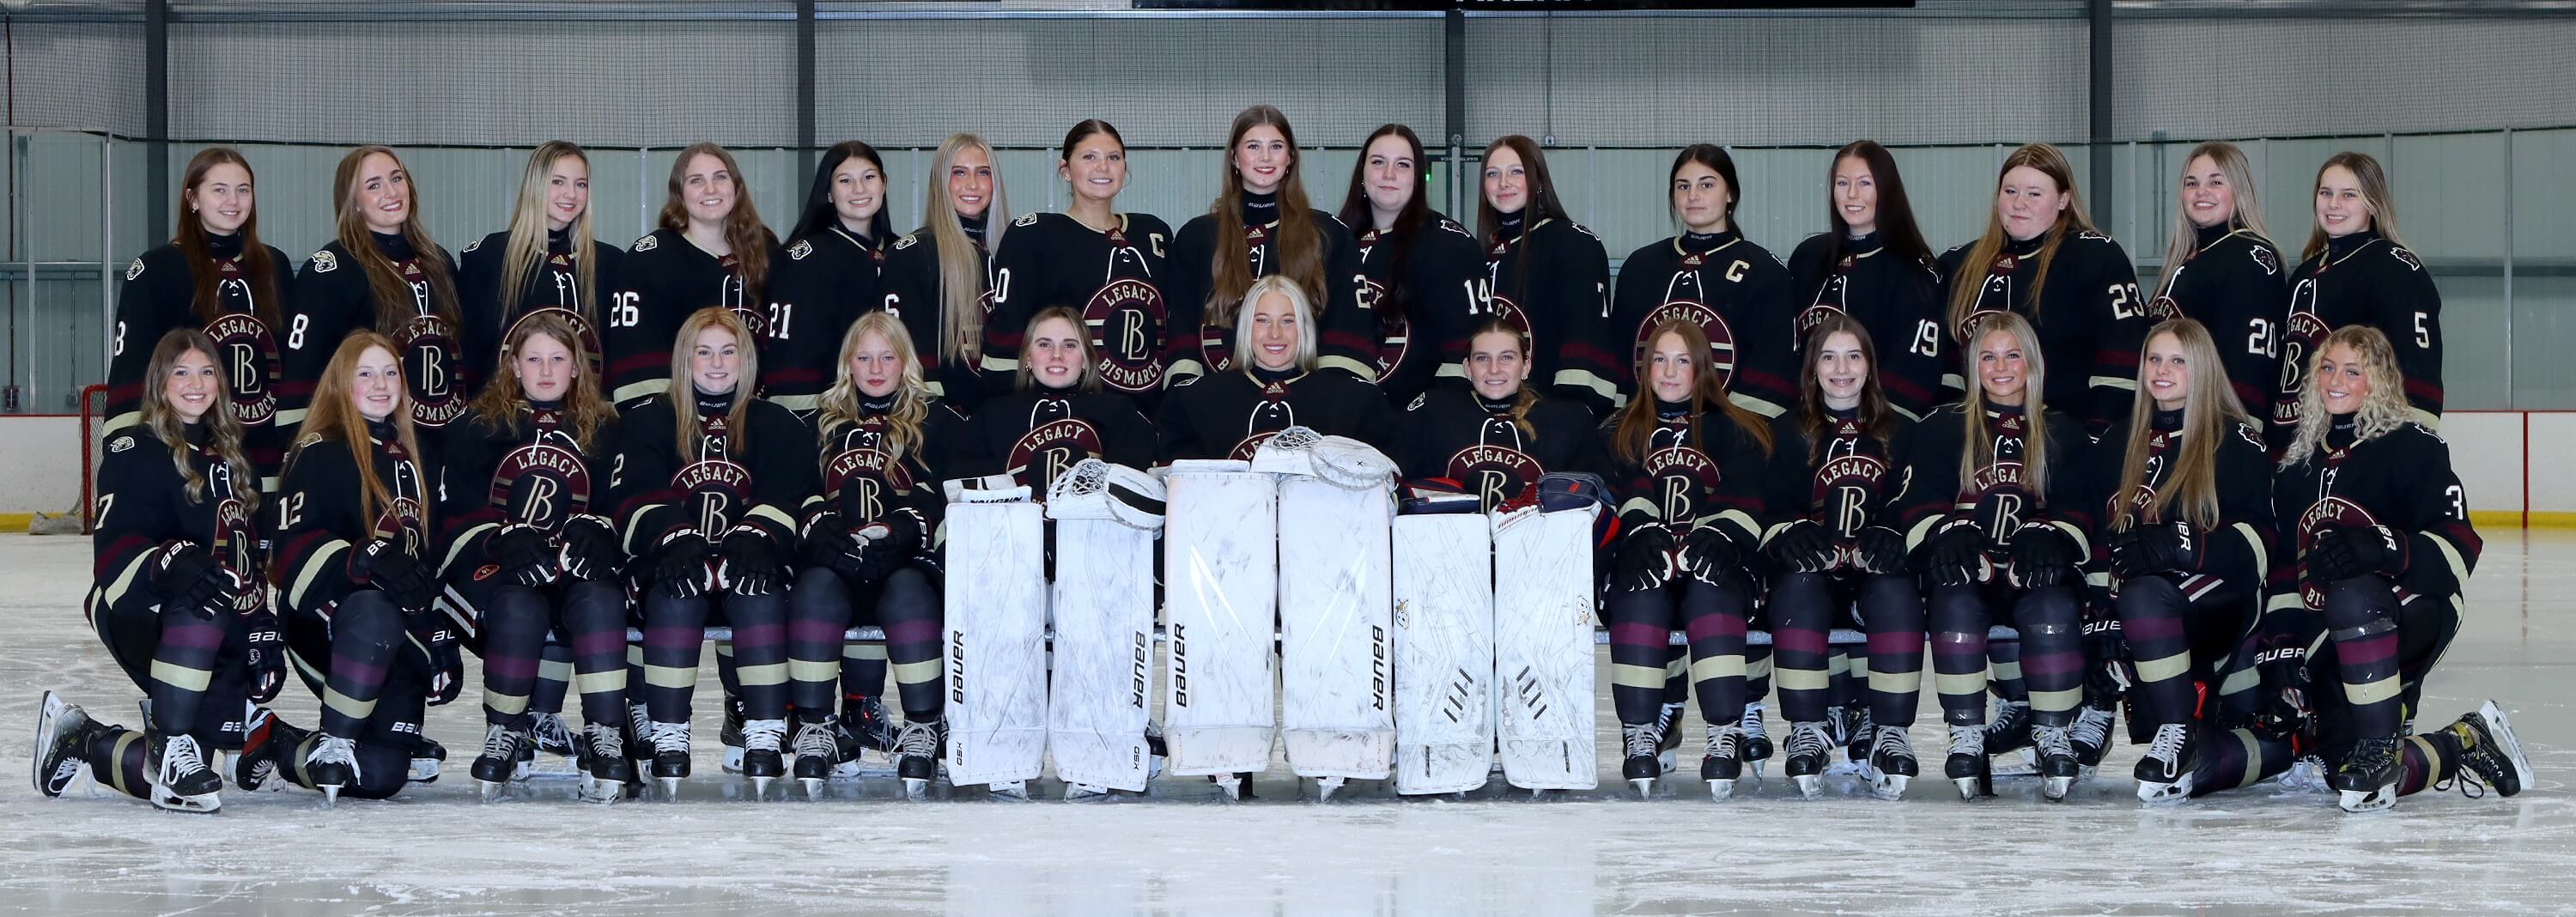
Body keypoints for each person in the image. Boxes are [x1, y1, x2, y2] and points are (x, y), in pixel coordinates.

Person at [33, 330, 275, 812]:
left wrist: (261, 624)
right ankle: (171, 739)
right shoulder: (134, 447)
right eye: (181, 372)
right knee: (201, 601)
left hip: (211, 620)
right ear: (160, 381)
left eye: (206, 372)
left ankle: (84, 740)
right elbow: (114, 549)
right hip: (139, 606)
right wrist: (169, 561)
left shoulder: (234, 456)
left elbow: (246, 558)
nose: (195, 384)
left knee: (194, 767)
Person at [2267, 325, 2484, 811]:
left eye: (2352, 371)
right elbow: (2284, 571)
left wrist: (2386, 549)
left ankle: (2382, 739)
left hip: (2416, 607)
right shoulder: (2297, 465)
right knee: (2342, 770)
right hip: (2331, 631)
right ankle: (2462, 742)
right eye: (2327, 368)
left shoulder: (2414, 445)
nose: (2335, 381)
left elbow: (2461, 545)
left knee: (2353, 592)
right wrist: (2282, 647)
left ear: (2379, 379)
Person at [612, 307, 816, 798]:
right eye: (704, 352)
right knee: (674, 594)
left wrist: (755, 535)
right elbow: (631, 492)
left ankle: (764, 731)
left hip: (747, 564)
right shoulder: (649, 420)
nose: (717, 364)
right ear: (684, 359)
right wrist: (674, 537)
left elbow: (792, 490)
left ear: (747, 359)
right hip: (675, 564)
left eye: (729, 351)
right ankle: (667, 733)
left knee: (759, 590)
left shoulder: (777, 422)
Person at [1894, 312, 2093, 801]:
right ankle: (1966, 731)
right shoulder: (1944, 426)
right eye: (1988, 357)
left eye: (2012, 355)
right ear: (1972, 365)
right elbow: (1914, 501)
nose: (2000, 367)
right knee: (1954, 600)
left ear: (2032, 362)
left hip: (2031, 577)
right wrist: (1944, 533)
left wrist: (2056, 535)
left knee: (2053, 603)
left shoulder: (2063, 430)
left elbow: (2085, 508)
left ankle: (2052, 732)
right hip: (1971, 574)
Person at [435, 313, 634, 801]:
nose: (546, 371)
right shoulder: (478, 427)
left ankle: (605, 733)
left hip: (576, 568)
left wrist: (602, 530)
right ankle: (505, 731)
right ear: (514, 367)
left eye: (558, 359)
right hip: (506, 570)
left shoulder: (607, 429)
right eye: (534, 359)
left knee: (602, 600)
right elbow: (455, 510)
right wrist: (500, 539)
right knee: (517, 607)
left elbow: (624, 501)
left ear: (577, 367)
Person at [261, 331, 459, 805]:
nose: (380, 384)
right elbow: (290, 555)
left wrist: (438, 634)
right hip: (329, 624)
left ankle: (281, 745)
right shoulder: (320, 449)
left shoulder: (417, 452)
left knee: (382, 775)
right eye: (365, 373)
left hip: (399, 631)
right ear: (340, 383)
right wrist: (364, 557)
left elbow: (427, 564)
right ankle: (335, 739)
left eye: (390, 373)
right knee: (374, 610)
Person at [2093, 319, 2274, 801]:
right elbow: (2097, 540)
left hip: (2222, 607)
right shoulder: (2117, 441)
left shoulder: (2234, 439)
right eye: (2154, 359)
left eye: (2178, 361)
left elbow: (2259, 544)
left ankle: (2177, 729)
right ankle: (2081, 719)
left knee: (2144, 595)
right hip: (2146, 608)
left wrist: (2184, 546)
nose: (2162, 370)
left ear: (2203, 369)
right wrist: (2101, 619)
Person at [787, 311, 963, 797]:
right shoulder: (817, 422)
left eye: (887, 357)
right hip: (838, 560)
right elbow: (797, 491)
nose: (876, 368)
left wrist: (908, 528)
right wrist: (821, 530)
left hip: (902, 562)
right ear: (848, 362)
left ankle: (924, 726)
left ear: (906, 361)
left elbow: (948, 492)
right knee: (814, 588)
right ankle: (815, 728)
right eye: (864, 358)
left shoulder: (936, 420)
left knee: (909, 592)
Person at [1601, 319, 1774, 799]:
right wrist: (1638, 534)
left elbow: (1748, 496)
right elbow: (1620, 490)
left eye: (1682, 361)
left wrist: (1721, 535)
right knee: (1639, 591)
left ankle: (1724, 730)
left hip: (1710, 565)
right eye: (1660, 360)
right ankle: (1639, 731)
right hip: (1649, 565)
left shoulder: (1739, 429)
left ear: (1702, 368)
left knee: (1711, 592)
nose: (1670, 372)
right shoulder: (1619, 430)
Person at [1759, 315, 1924, 800]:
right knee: (1797, 588)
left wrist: (1896, 531)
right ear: (1812, 367)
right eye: (1829, 357)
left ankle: (1891, 728)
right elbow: (1768, 502)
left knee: (1896, 591)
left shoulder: (1902, 432)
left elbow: (1917, 500)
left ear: (1870, 366)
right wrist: (1787, 531)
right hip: (1817, 575)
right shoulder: (1783, 432)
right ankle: (1807, 727)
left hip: (1871, 579)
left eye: (1853, 356)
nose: (1842, 369)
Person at [103, 149, 295, 489]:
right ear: (192, 199)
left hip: (265, 450)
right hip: (188, 453)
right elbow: (131, 369)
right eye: (219, 189)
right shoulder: (157, 269)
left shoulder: (275, 267)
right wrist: (124, 450)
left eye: (243, 190)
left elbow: (290, 360)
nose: (233, 201)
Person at [1937, 143, 2149, 437]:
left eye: (2034, 194)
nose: (2019, 203)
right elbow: (1946, 370)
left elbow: (2124, 363)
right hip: (1978, 441)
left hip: (2065, 440)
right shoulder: (1958, 264)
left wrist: (2096, 438)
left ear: (2063, 199)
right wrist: (1947, 436)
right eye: (2010, 191)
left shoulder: (2095, 257)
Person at [1163, 105, 1376, 388]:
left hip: (1308, 401)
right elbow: (1182, 329)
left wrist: (1326, 400)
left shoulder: (1329, 235)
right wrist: (1193, 397)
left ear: (1290, 158)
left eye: (1276, 146)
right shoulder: (1196, 238)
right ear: (1234, 157)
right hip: (1220, 401)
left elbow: (1348, 326)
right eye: (1253, 146)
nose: (1265, 157)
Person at [981, 120, 1177, 410]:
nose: (1103, 167)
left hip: (1145, 411)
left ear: (1125, 167)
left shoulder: (1153, 234)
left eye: (1113, 157)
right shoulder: (1033, 235)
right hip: (1068, 413)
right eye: (1089, 157)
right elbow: (1008, 333)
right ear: (1065, 169)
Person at [283, 146, 467, 439]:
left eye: (396, 178)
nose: (391, 192)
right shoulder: (332, 270)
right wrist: (301, 449)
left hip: (440, 442)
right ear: (353, 202)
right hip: (366, 441)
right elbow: (301, 373)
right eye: (374, 185)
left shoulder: (439, 262)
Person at [1610, 143, 1795, 420]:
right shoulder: (1640, 266)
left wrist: (1726, 431)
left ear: (1730, 193)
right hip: (1648, 428)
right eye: (1683, 186)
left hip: (1730, 433)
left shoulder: (1765, 271)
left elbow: (1772, 364)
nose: (1693, 195)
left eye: (1706, 185)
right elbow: (1622, 357)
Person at [2273, 152, 2444, 445]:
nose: (2334, 204)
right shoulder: (2304, 273)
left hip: (2359, 441)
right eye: (2326, 193)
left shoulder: (2394, 267)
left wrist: (2410, 442)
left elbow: (2418, 370)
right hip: (2295, 444)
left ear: (2373, 203)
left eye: (2349, 195)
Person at [605, 143, 781, 409]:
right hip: (683, 420)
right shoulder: (652, 259)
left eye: (720, 177)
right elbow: (635, 357)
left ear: (736, 186)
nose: (710, 189)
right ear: (679, 192)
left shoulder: (767, 251)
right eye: (696, 180)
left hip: (754, 419)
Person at [1787, 140, 1946, 422]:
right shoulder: (1807, 257)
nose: (1852, 194)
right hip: (1809, 427)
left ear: (1886, 189)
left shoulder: (1914, 269)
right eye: (1842, 183)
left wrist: (1873, 428)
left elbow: (1915, 369)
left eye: (1865, 183)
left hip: (1877, 429)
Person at [1157, 276, 1395, 461]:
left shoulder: (1354, 402)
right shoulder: (1195, 401)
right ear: (1246, 327)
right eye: (1262, 320)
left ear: (1304, 328)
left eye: (1287, 321)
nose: (1274, 333)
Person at [456, 141, 623, 392]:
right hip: (506, 410)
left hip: (584, 411)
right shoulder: (491, 256)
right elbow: (470, 351)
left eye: (581, 184)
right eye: (558, 182)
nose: (571, 194)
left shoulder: (610, 263)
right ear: (536, 185)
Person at [1337, 123, 1484, 407]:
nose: (1389, 174)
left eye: (1402, 165)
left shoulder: (1449, 245)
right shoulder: (1335, 241)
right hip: (1348, 416)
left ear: (1418, 177)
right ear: (1362, 173)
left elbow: (1465, 350)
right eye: (1378, 162)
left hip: (1420, 420)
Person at [2147, 142, 2287, 425]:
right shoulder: (2187, 256)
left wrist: (2243, 431)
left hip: (2215, 426)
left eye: (2216, 182)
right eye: (2192, 183)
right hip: (2173, 420)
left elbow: (2251, 363)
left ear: (2239, 190)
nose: (2201, 191)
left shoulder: (2249, 255)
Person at [1399, 316, 1600, 511]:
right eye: (1482, 358)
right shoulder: (1434, 412)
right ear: (1468, 368)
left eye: (1506, 358)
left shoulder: (1568, 421)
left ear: (1526, 366)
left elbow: (1597, 498)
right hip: (1450, 534)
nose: (1494, 369)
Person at [1477, 134, 1615, 416]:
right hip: (1489, 412)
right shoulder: (1481, 252)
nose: (1504, 183)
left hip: (1548, 415)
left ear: (1538, 180)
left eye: (1516, 172)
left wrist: (1567, 416)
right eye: (1493, 174)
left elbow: (1585, 337)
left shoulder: (1572, 243)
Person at [952, 307, 1157, 492]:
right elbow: (967, 491)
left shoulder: (1118, 412)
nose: (1057, 355)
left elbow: (1130, 489)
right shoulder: (992, 416)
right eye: (1044, 345)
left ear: (1086, 359)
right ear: (1028, 358)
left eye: (1069, 345)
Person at [763, 140, 896, 424]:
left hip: (895, 414)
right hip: (828, 416)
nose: (859, 189)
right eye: (845, 180)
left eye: (869, 177)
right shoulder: (805, 258)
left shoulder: (901, 252)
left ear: (884, 184)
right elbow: (791, 357)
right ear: (829, 192)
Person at [885, 132, 1011, 414]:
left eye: (983, 172)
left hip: (1000, 419)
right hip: (942, 420)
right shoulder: (914, 254)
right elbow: (905, 357)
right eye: (958, 172)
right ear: (940, 182)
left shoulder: (1010, 252)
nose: (972, 184)